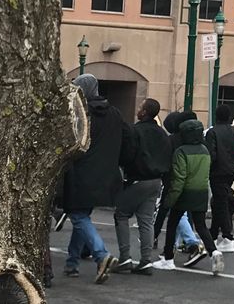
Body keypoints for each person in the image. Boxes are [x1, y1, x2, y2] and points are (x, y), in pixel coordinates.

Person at [61, 74, 124, 280]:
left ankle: (101, 254)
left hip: (81, 172)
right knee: (83, 216)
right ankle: (72, 262)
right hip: (106, 173)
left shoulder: (81, 113)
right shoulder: (114, 113)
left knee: (77, 215)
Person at [161, 116, 223, 275]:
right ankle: (214, 252)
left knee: (172, 223)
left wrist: (170, 198)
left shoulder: (181, 151)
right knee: (201, 226)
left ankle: (168, 258)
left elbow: (180, 178)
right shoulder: (205, 150)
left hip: (184, 192)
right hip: (202, 191)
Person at [114, 97, 170, 274]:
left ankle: (125, 257)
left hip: (138, 179)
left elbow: (127, 155)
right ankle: (146, 260)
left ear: (144, 112)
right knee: (146, 221)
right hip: (156, 180)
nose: (138, 109)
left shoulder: (135, 131)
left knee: (121, 214)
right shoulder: (162, 133)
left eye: (140, 107)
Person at [205, 106, 234, 254]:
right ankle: (213, 235)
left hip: (217, 172)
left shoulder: (212, 132)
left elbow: (211, 154)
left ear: (216, 116)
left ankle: (228, 237)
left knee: (220, 203)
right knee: (219, 201)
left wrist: (210, 169)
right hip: (231, 172)